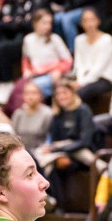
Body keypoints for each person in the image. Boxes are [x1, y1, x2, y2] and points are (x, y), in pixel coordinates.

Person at [35, 79, 97, 210]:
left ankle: (60, 205)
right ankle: (54, 202)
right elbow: (53, 139)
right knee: (46, 162)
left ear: (73, 93)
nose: (61, 96)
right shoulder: (57, 114)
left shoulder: (83, 110)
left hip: (82, 152)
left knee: (63, 161)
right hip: (61, 152)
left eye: (65, 92)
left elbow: (85, 141)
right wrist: (53, 148)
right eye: (58, 94)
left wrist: (58, 148)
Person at [21, 9, 73, 99]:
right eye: (44, 23)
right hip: (35, 74)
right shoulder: (28, 39)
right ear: (35, 23)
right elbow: (26, 59)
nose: (47, 26)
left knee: (32, 89)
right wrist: (26, 70)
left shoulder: (55, 38)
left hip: (53, 75)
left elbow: (68, 60)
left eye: (49, 23)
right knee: (20, 87)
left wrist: (59, 70)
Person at [71, 7, 112, 103]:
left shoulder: (107, 39)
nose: (89, 24)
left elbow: (99, 67)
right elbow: (78, 63)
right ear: (81, 24)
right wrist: (80, 79)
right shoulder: (79, 40)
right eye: (85, 21)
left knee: (81, 92)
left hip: (104, 79)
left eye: (92, 20)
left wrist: (81, 83)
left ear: (98, 21)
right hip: (83, 77)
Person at [12, 81, 55, 154]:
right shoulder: (18, 113)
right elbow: (13, 135)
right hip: (21, 151)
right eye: (27, 93)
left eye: (34, 93)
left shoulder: (47, 113)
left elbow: (52, 136)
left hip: (40, 151)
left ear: (41, 95)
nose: (30, 97)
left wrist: (47, 147)